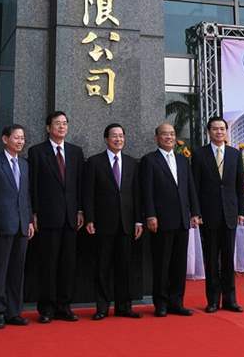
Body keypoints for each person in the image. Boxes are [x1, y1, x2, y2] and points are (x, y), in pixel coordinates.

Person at [28, 111, 84, 323]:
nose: (62, 127)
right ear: (48, 128)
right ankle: (47, 308)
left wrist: (80, 210)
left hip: (71, 217)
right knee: (48, 265)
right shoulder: (37, 152)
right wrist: (34, 212)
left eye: (64, 123)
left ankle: (64, 306)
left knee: (68, 265)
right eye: (57, 123)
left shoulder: (75, 152)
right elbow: (32, 185)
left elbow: (80, 184)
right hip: (47, 216)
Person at [83, 123, 143, 320]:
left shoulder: (132, 162)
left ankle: (124, 307)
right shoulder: (94, 162)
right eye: (114, 136)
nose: (118, 139)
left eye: (121, 136)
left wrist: (138, 221)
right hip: (103, 223)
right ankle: (102, 307)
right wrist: (90, 218)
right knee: (103, 267)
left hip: (127, 223)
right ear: (106, 139)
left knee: (124, 267)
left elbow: (137, 194)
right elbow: (88, 193)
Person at [140, 123, 200, 317]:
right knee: (161, 264)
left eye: (172, 134)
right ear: (156, 138)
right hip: (160, 220)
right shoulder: (149, 160)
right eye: (164, 134)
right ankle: (161, 304)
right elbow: (147, 191)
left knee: (179, 264)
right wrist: (150, 215)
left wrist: (195, 213)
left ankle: (177, 302)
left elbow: (190, 187)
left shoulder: (183, 160)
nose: (169, 137)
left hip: (182, 219)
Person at [192, 115, 244, 313]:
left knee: (228, 259)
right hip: (209, 215)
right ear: (209, 132)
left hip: (230, 214)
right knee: (211, 260)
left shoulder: (234, 154)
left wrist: (242, 210)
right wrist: (196, 212)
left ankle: (230, 300)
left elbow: (240, 186)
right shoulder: (199, 154)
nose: (219, 132)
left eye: (222, 129)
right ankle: (213, 300)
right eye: (215, 129)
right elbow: (194, 187)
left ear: (226, 131)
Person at [0, 125, 34, 329]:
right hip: (2, 224)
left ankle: (14, 312)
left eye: (22, 138)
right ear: (5, 139)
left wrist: (29, 221)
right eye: (16, 138)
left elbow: (26, 196)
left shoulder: (24, 164)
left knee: (17, 271)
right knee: (0, 270)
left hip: (22, 225)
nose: (20, 141)